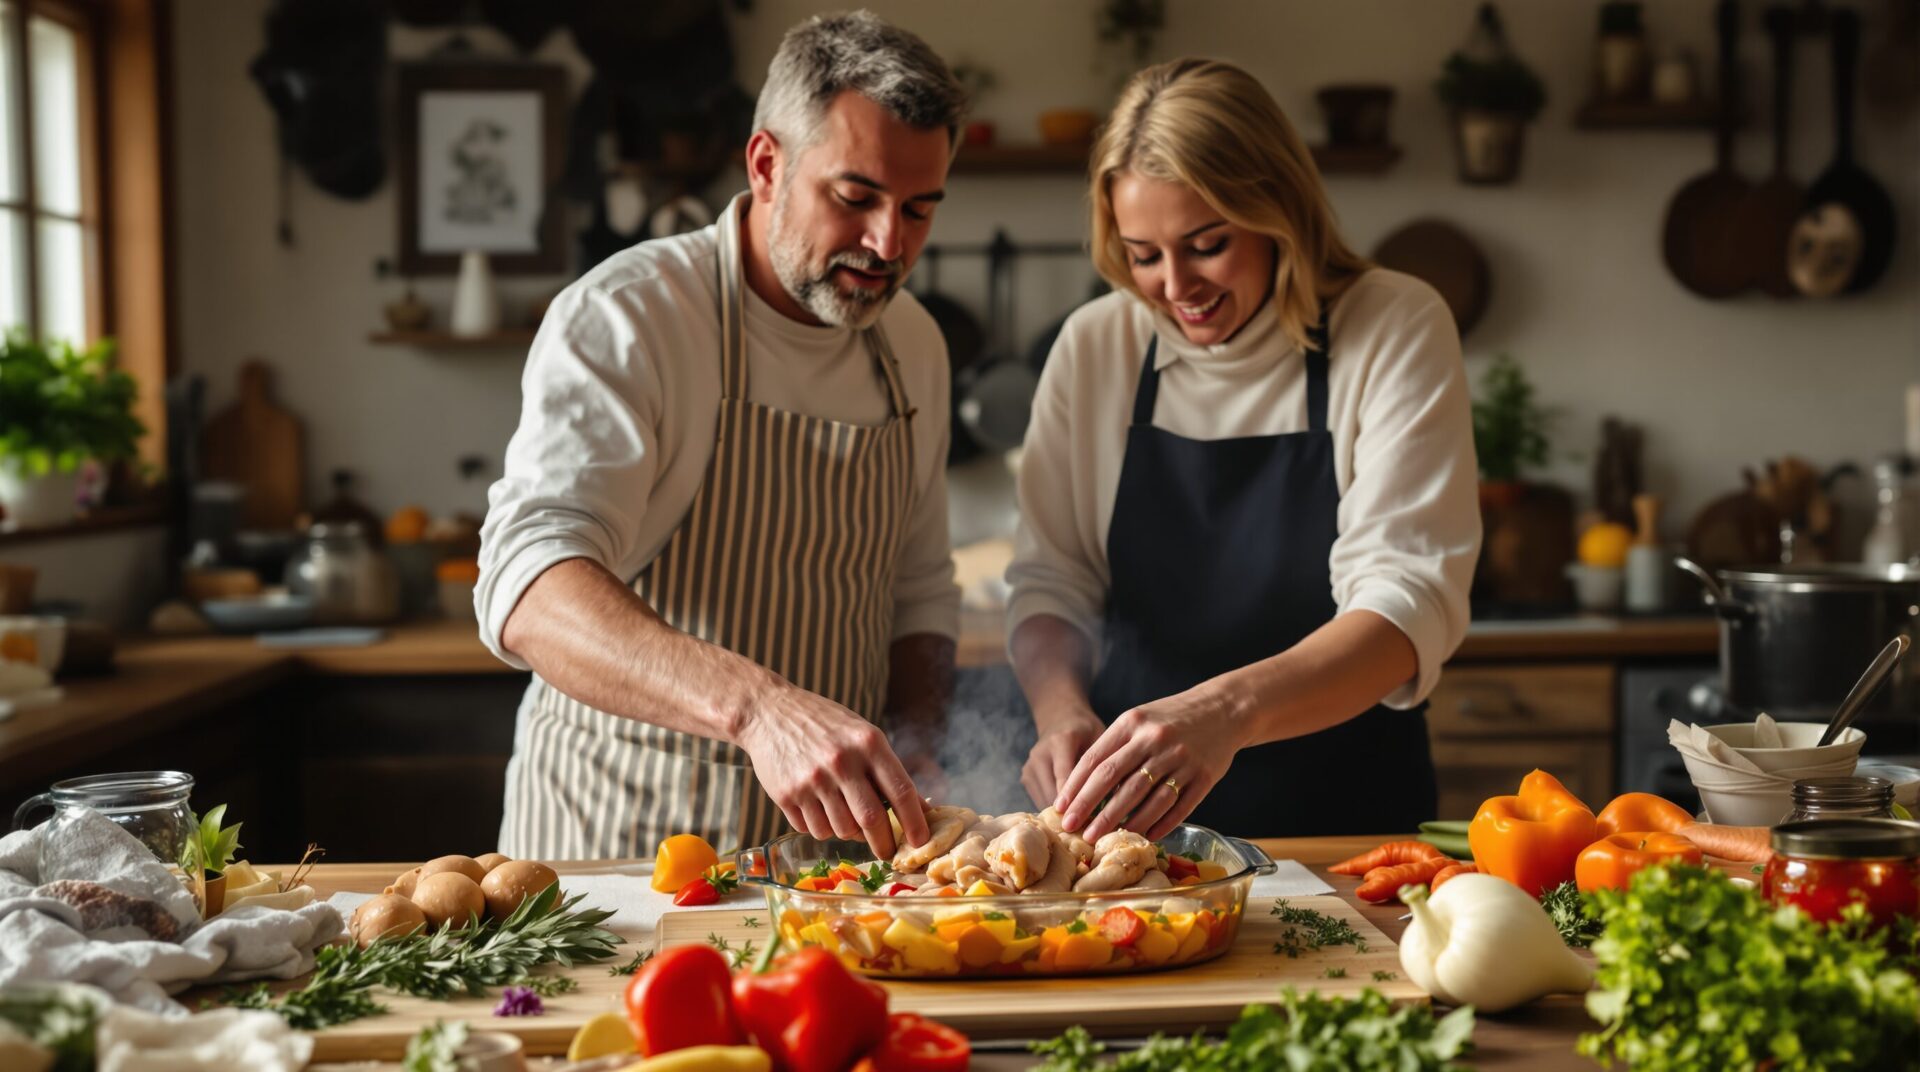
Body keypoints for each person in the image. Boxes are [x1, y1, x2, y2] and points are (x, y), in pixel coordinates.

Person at [477, 12, 968, 861]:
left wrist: (917, 740)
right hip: (627, 847)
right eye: (855, 199)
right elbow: (528, 587)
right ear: (767, 165)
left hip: (828, 872)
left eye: (919, 209)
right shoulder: (632, 318)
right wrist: (760, 708)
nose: (889, 244)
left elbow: (918, 591)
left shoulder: (912, 343)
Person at [1007, 58, 1481, 842]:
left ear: (1278, 212)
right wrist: (1062, 713)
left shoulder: (1393, 326)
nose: (1174, 286)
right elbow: (1051, 581)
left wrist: (1224, 713)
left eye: (1206, 244)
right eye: (1143, 254)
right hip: (1135, 831)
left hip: (1348, 824)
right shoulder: (1098, 346)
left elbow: (1406, 604)